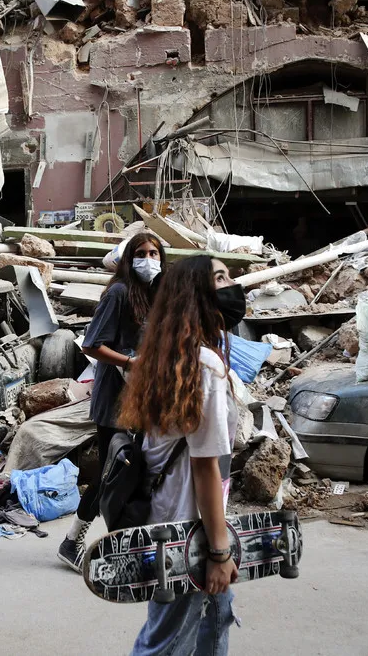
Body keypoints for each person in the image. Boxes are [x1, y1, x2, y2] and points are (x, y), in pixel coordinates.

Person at [117, 255, 248, 656]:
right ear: (198, 295)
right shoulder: (204, 365)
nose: (233, 286)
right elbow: (206, 467)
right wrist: (218, 551)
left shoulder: (167, 357)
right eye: (221, 278)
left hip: (173, 518)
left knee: (213, 622)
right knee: (167, 642)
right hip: (188, 530)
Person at [57, 232, 165, 571]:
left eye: (155, 253)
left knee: (136, 474)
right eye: (142, 253)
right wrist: (131, 363)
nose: (149, 259)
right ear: (129, 259)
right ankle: (74, 541)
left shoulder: (154, 295)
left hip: (142, 398)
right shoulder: (119, 293)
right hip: (116, 399)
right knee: (112, 474)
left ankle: (128, 544)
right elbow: (91, 345)